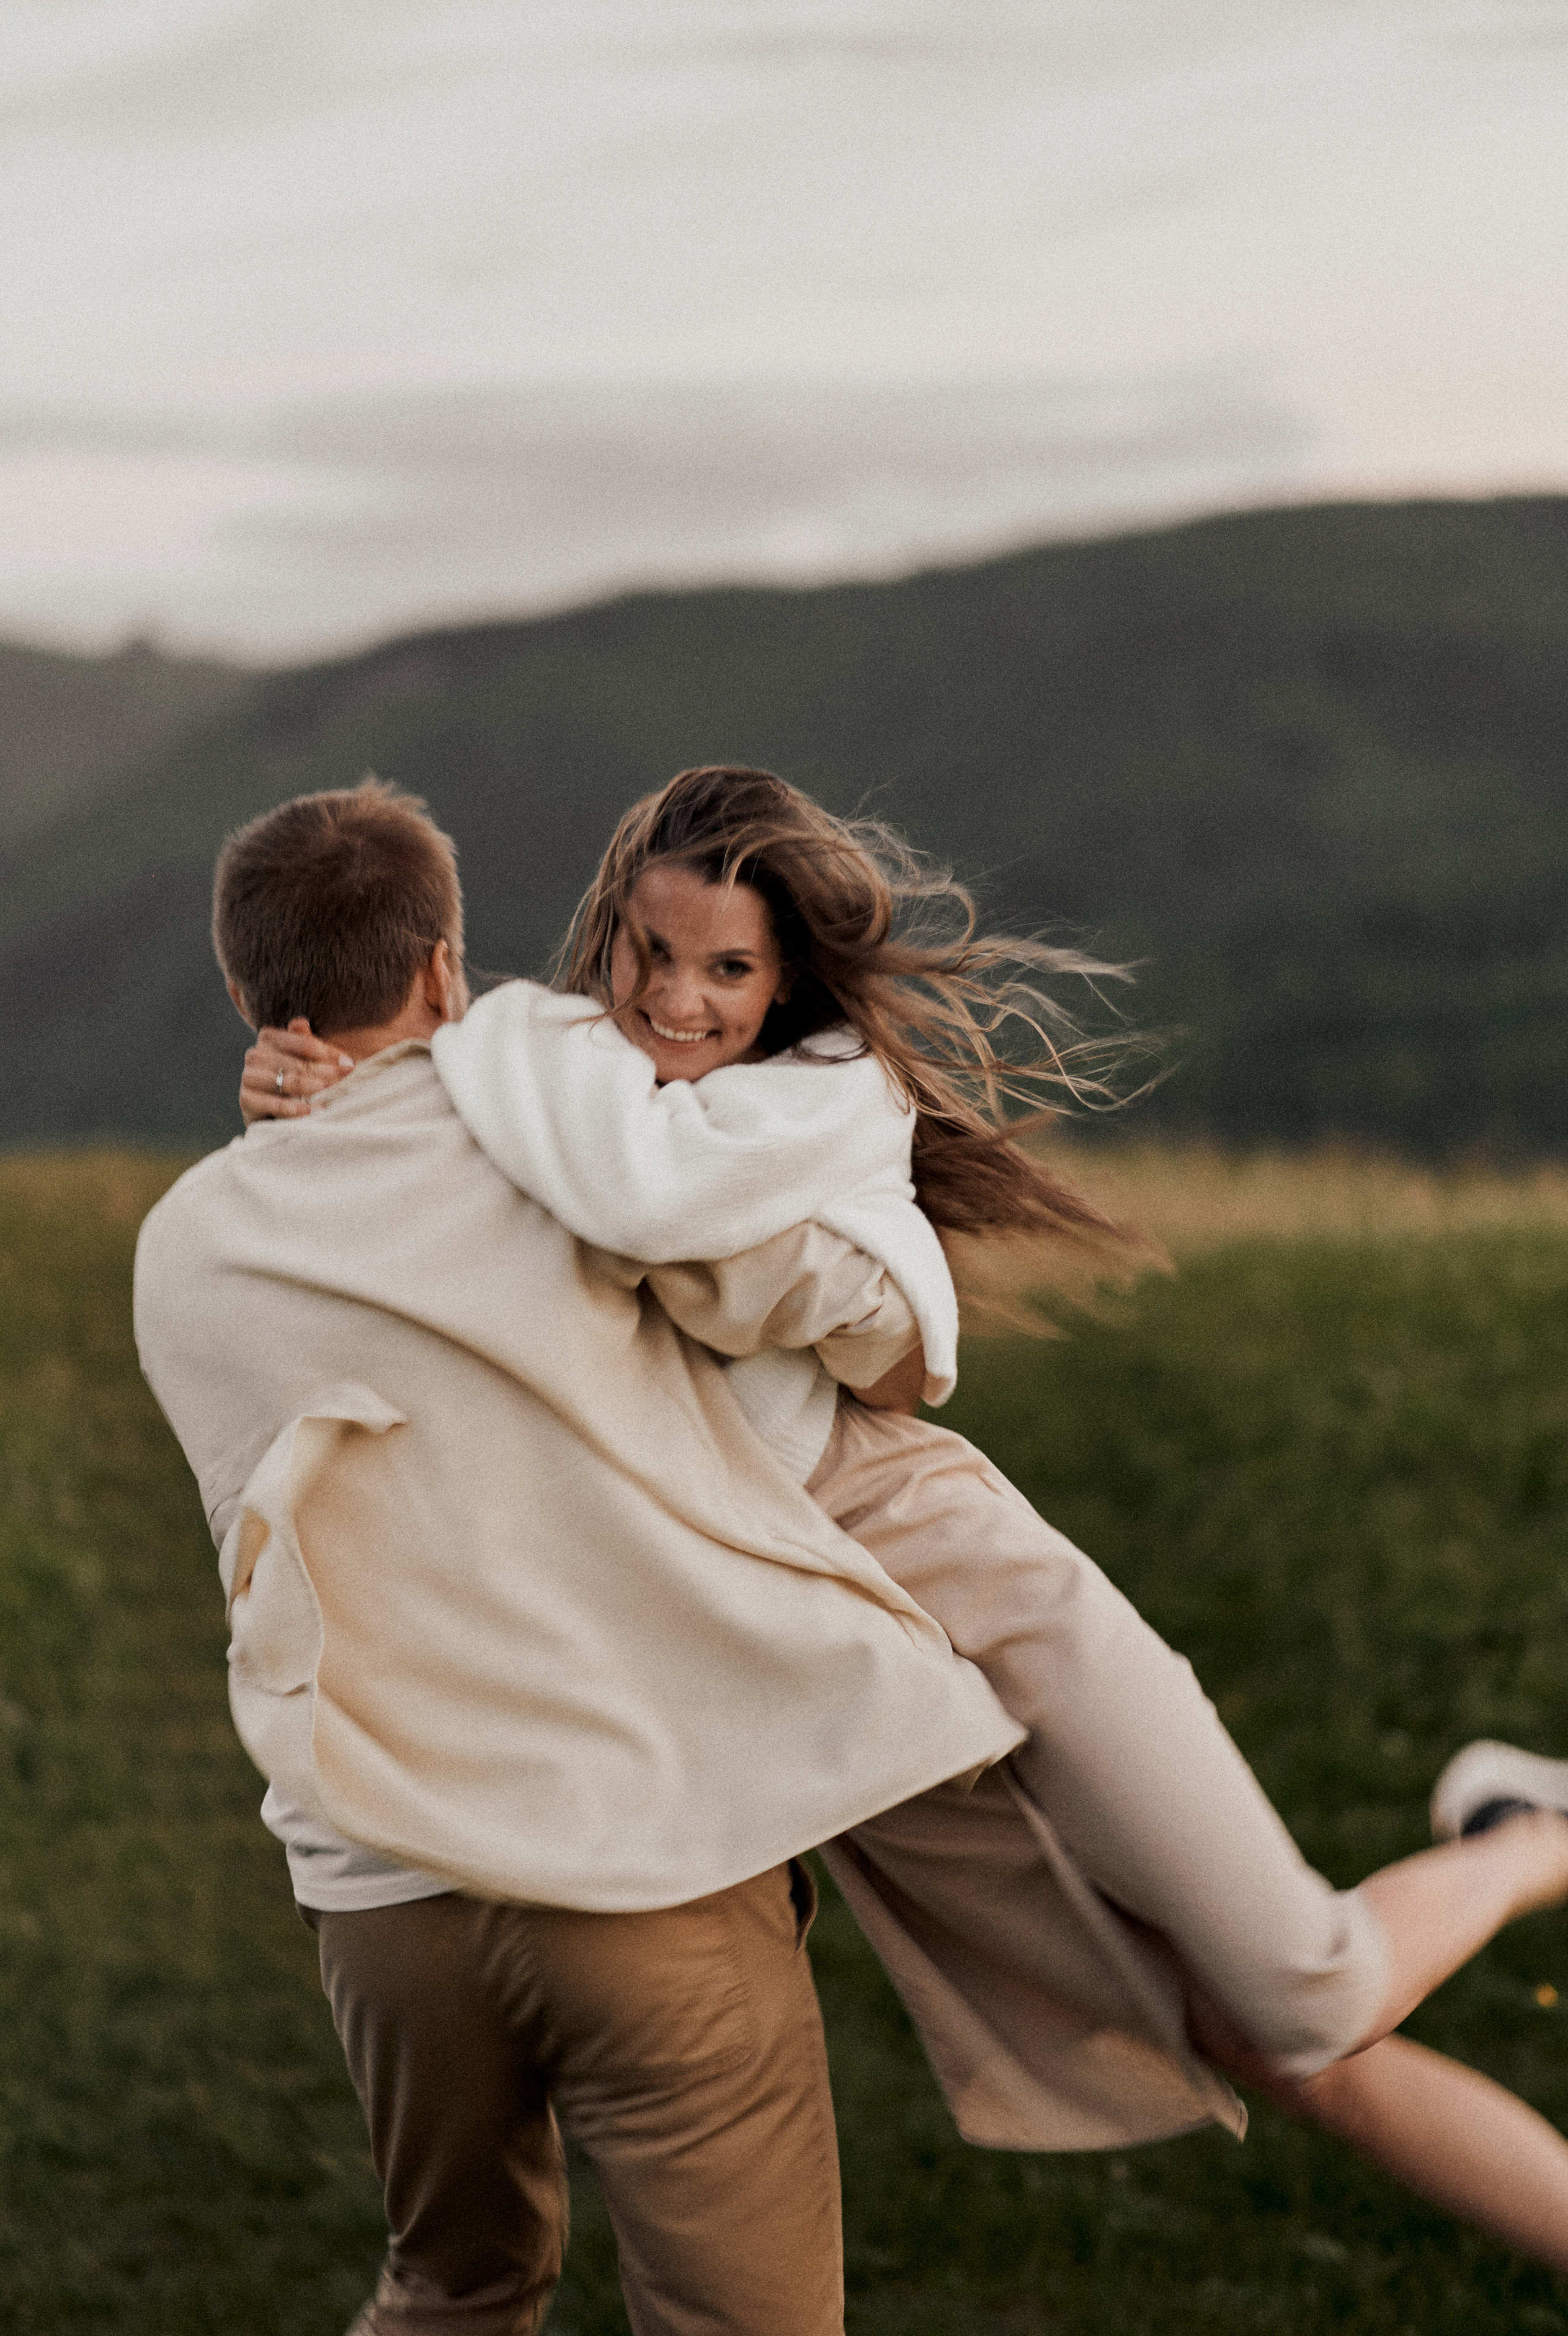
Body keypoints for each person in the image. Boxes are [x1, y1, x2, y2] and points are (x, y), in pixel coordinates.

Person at [248, 764, 1568, 2275]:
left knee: (1308, 1997)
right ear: (604, 928)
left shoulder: (814, 1102)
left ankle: (1532, 1836)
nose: (675, 998)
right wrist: (321, 1107)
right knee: (1247, 2044)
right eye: (647, 950)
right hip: (810, 1649)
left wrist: (463, 1139)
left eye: (727, 968)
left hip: (937, 1557)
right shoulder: (551, 1087)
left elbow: (817, 1299)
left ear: (786, 977)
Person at [137, 781, 1028, 2336]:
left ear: (245, 993)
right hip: (648, 1863)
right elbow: (839, 1316)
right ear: (441, 971)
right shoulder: (588, 1174)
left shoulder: (183, 1250)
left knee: (448, 2289)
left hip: (380, 1901)